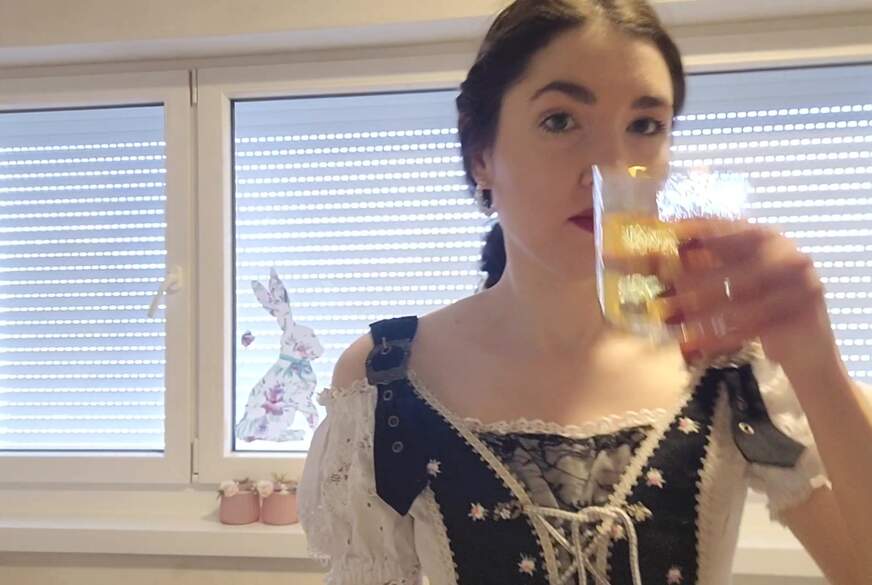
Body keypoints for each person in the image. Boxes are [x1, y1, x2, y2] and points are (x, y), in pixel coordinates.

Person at [298, 1, 872, 584]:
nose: (608, 168)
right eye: (560, 121)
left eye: (644, 126)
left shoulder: (727, 360)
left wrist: (815, 365)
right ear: (480, 156)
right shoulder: (387, 381)